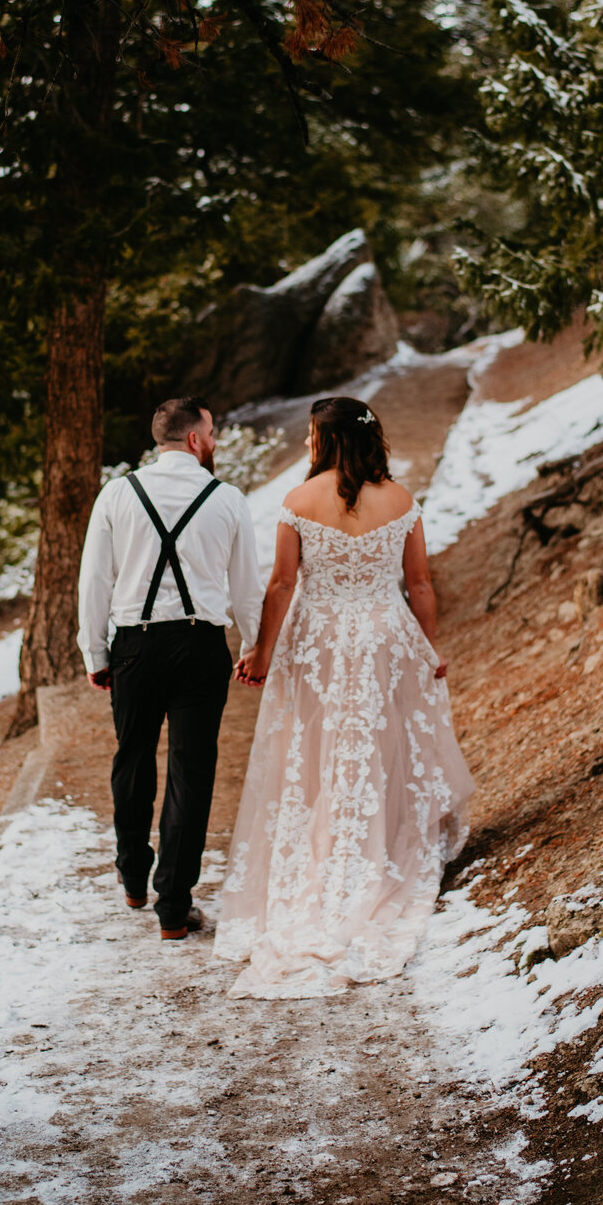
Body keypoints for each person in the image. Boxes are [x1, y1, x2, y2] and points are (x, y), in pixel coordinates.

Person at [214, 396, 474, 997]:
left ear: (324, 440)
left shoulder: (299, 501)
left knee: (316, 751)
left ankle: (329, 854)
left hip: (320, 641)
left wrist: (261, 652)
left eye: (311, 435)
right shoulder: (402, 499)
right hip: (386, 635)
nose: (307, 444)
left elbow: (282, 584)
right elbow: (420, 585)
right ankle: (377, 850)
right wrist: (426, 650)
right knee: (381, 744)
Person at [78, 396, 262, 940]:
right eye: (212, 432)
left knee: (132, 756)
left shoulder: (117, 493)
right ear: (194, 439)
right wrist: (254, 645)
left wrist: (96, 654)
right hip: (200, 646)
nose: (214, 441)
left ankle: (134, 874)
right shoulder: (227, 498)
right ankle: (173, 905)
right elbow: (246, 587)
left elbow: (95, 581)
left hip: (133, 645)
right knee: (192, 770)